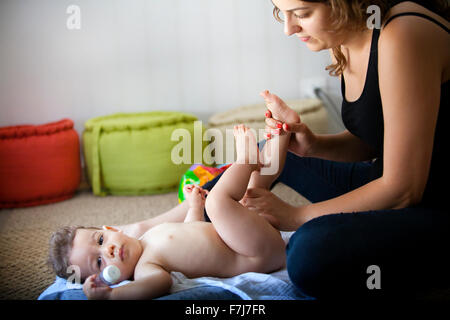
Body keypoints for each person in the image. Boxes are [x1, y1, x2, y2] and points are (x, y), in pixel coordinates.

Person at [119, 0, 450, 299]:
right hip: (396, 181)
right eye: (283, 13)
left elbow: (403, 188)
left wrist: (295, 216)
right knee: (275, 152)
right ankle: (148, 232)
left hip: (431, 205)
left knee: (307, 252)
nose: (289, 28)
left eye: (302, 14)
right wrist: (314, 145)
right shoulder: (348, 37)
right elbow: (376, 139)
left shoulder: (402, 35)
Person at [48, 117, 296, 299]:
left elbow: (192, 231)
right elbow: (158, 284)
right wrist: (111, 297)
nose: (109, 249)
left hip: (246, 239)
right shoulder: (147, 266)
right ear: (107, 279)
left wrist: (194, 207)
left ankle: (283, 131)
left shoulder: (147, 239)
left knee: (251, 194)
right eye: (99, 262)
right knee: (218, 202)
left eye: (101, 239)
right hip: (252, 254)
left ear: (112, 228)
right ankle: (246, 161)